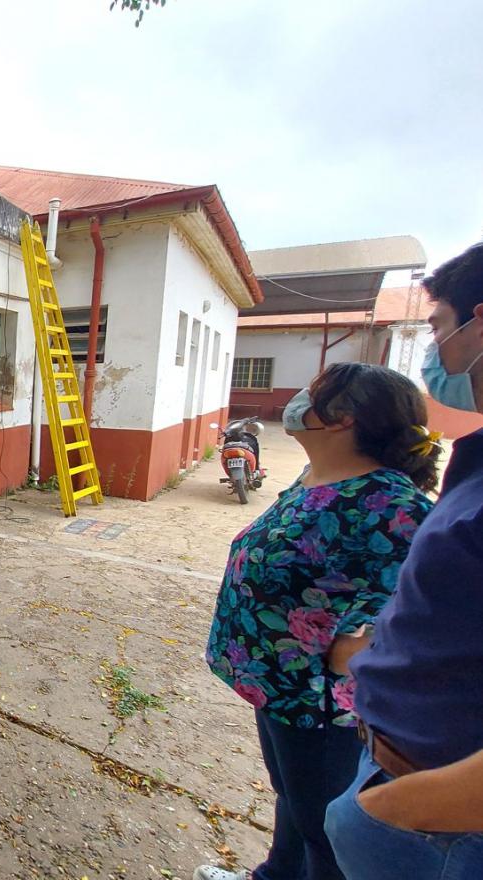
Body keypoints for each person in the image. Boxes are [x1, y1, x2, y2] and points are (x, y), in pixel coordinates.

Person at [196, 363, 439, 880]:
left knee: (324, 830)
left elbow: (437, 602)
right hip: (277, 687)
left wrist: (369, 643)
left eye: (314, 392)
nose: (300, 398)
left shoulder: (393, 505)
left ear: (341, 418)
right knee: (292, 798)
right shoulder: (317, 476)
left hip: (322, 703)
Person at [324, 242, 483, 880]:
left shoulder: (387, 501)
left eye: (440, 325)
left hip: (439, 821)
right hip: (397, 765)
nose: (436, 349)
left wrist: (393, 810)